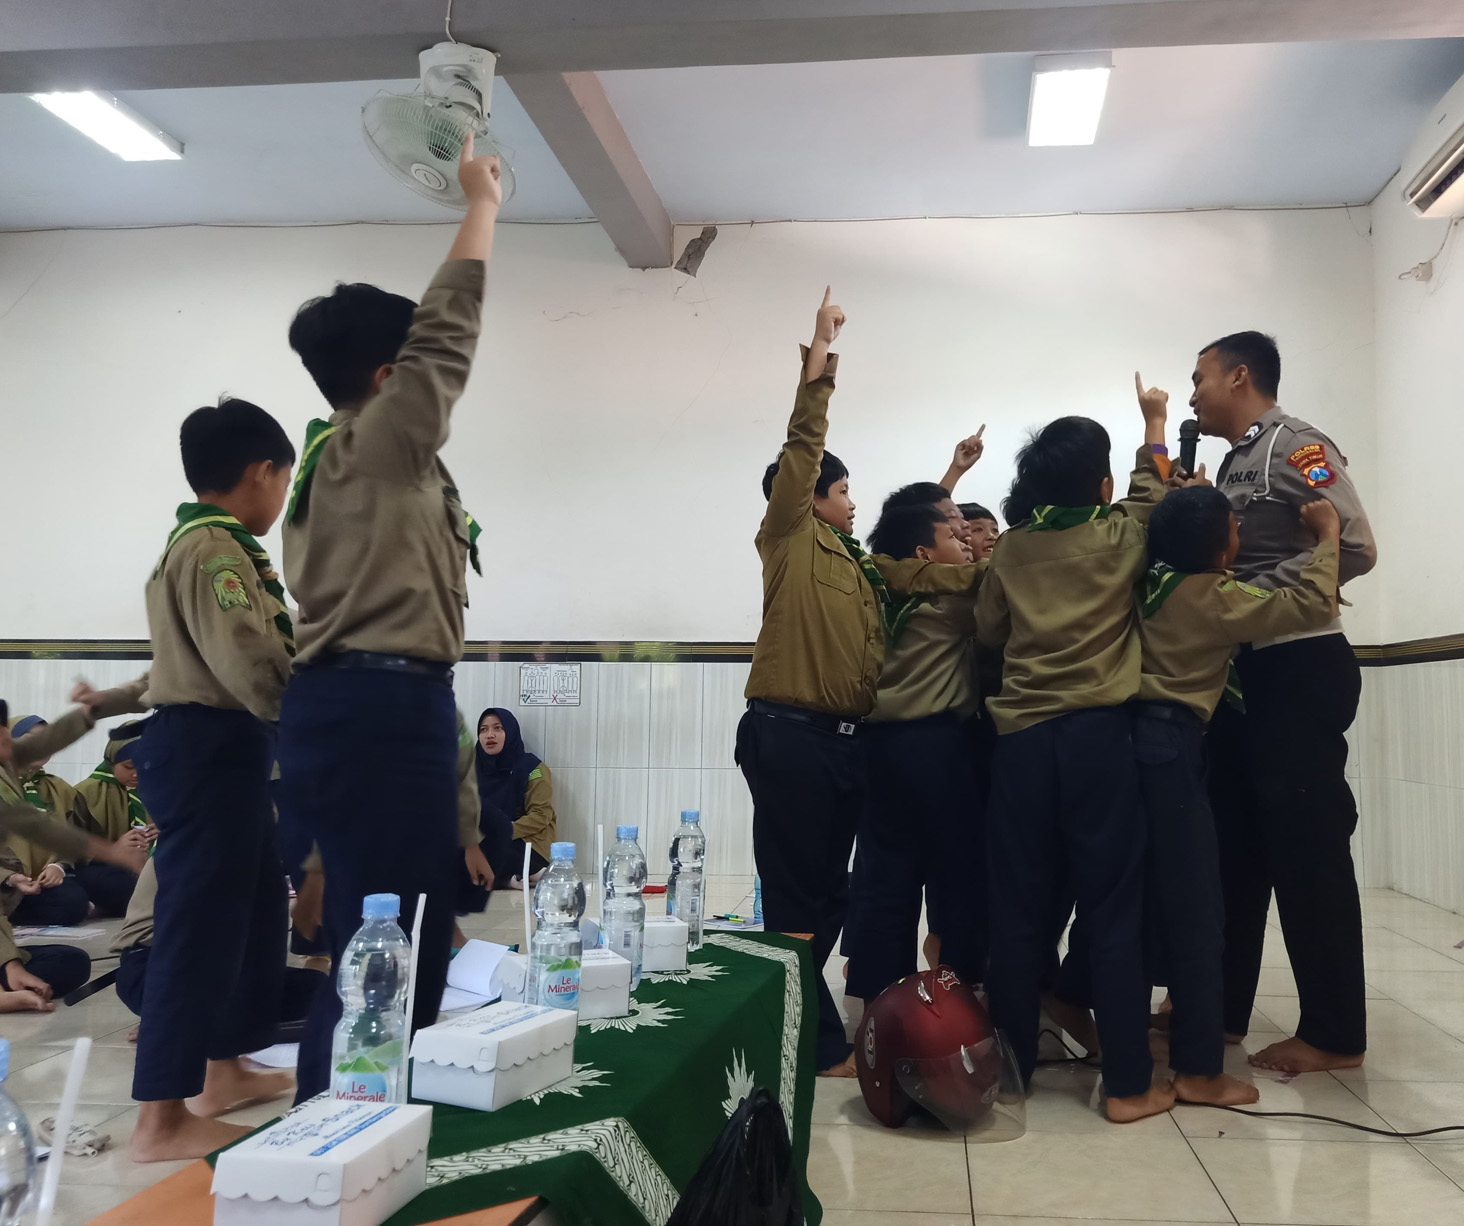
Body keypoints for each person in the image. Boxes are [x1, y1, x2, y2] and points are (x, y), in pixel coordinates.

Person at [276, 137, 503, 1102]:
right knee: (393, 946)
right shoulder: (374, 443)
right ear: (385, 374)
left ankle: (353, 1130)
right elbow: (447, 332)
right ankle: (337, 1139)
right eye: (407, 365)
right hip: (376, 705)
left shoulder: (350, 460)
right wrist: (481, 202)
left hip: (365, 704)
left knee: (389, 938)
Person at [736, 289, 976, 1075]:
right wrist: (820, 356)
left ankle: (796, 1019)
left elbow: (922, 559)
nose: (852, 500)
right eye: (842, 490)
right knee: (800, 899)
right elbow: (803, 444)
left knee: (831, 896)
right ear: (811, 497)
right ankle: (809, 1042)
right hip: (790, 734)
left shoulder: (860, 565)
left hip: (844, 746)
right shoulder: (791, 536)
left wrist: (952, 486)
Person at [975, 375, 1171, 1123]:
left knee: (1018, 912)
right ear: (1101, 481)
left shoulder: (1014, 549)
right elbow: (1153, 486)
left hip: (1021, 742)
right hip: (1099, 741)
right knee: (1111, 908)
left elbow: (990, 633)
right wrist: (1154, 419)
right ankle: (1124, 1085)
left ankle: (1013, 1074)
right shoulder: (1121, 532)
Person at [1188, 331, 1377, 1074]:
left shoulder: (1296, 447)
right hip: (1246, 678)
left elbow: (1355, 546)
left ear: (1240, 377)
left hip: (1297, 667)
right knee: (1235, 850)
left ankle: (1335, 1034)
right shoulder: (1235, 461)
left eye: (1200, 377)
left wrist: (1247, 600)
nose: (1194, 391)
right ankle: (1222, 1013)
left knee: (1308, 852)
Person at [128, 396, 298, 1162]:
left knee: (256, 909)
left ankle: (225, 1068)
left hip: (226, 747)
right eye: (284, 483)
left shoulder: (205, 546)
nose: (281, 500)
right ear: (260, 471)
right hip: (207, 746)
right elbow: (250, 660)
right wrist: (309, 733)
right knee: (197, 929)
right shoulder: (216, 553)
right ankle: (160, 1117)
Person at [1134, 484, 1342, 1105]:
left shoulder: (1143, 582)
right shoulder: (1216, 597)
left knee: (1138, 894)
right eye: (1235, 528)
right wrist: (1328, 537)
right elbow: (1307, 603)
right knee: (1200, 904)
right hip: (1173, 745)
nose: (1242, 535)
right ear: (1222, 553)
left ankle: (1102, 1015)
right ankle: (1198, 1067)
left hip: (1129, 742)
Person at [845, 504, 985, 1007]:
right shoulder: (951, 606)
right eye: (953, 536)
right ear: (924, 555)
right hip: (935, 747)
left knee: (886, 877)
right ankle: (959, 993)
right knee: (957, 874)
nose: (965, 542)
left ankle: (877, 998)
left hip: (877, 747)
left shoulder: (871, 600)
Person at [0, 684, 152, 1012]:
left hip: (26, 894)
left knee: (72, 963)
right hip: (18, 892)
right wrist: (112, 851)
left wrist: (91, 711)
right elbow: (36, 825)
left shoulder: (30, 779)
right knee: (71, 901)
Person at [113, 858, 327, 1070]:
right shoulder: (213, 841)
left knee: (317, 989)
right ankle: (178, 1024)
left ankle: (178, 1020)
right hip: (154, 969)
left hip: (191, 972)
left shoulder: (236, 840)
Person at [467, 707, 555, 896]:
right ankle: (509, 879)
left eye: (498, 728)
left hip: (523, 844)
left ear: (511, 731)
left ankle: (528, 872)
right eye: (483, 730)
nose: (490, 735)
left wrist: (503, 829)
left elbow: (541, 816)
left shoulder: (533, 768)